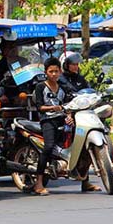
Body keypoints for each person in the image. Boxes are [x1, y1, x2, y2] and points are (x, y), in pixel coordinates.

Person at [33, 57, 100, 195]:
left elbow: (70, 104)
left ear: (60, 72)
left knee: (82, 145)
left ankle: (85, 181)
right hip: (48, 121)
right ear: (46, 72)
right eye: (51, 71)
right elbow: (39, 107)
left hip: (62, 119)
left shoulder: (63, 87)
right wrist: (54, 108)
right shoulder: (41, 87)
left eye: (56, 71)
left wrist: (69, 116)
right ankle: (38, 183)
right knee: (48, 147)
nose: (54, 74)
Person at [0, 40, 29, 105]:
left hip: (22, 92)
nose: (13, 49)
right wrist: (1, 95)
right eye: (10, 47)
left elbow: (27, 78)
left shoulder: (24, 61)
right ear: (3, 49)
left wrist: (24, 92)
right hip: (5, 93)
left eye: (14, 46)